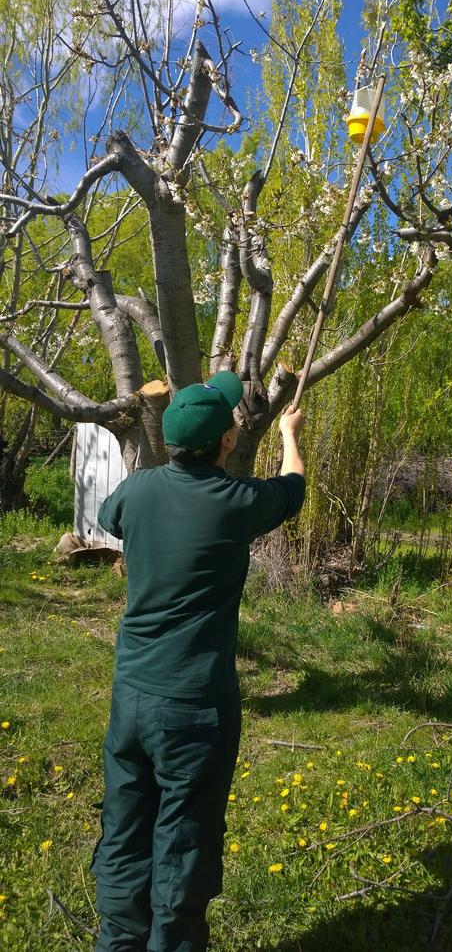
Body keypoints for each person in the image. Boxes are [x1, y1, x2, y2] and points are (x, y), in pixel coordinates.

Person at [91, 371, 305, 952]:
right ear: (227, 442)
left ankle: (117, 941)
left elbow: (110, 519)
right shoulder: (237, 502)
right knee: (184, 840)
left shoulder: (137, 491)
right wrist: (290, 433)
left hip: (131, 696)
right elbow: (293, 489)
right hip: (194, 706)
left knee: (126, 828)